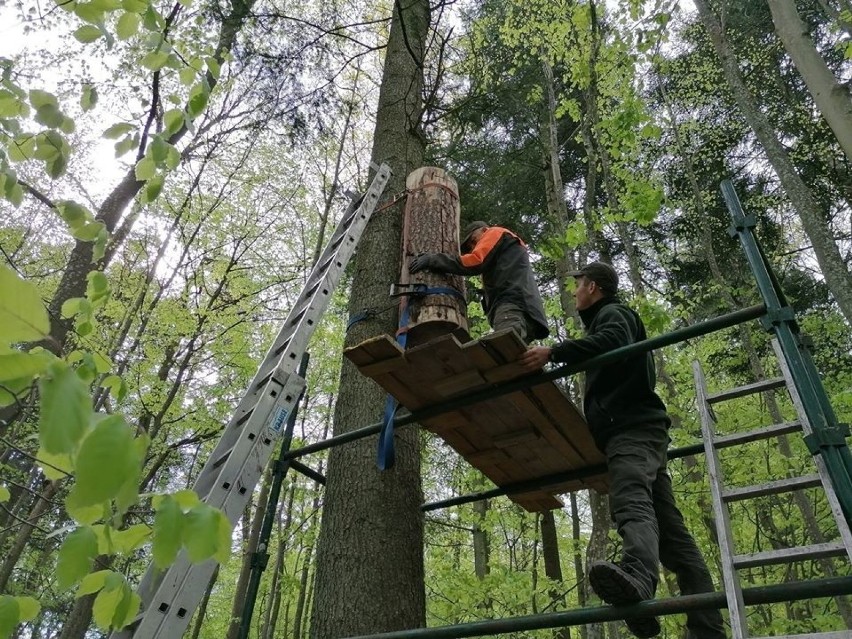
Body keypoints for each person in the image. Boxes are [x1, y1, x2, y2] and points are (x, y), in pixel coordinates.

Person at [518, 262, 725, 639]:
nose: (574, 292)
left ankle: (638, 577)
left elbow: (614, 341)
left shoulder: (614, 314)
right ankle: (707, 627)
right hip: (638, 432)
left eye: (577, 285)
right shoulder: (606, 321)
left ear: (593, 287)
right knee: (673, 538)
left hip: (632, 430)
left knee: (630, 499)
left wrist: (554, 352)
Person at [408, 221, 549, 344]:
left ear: (483, 230)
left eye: (473, 240)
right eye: (470, 247)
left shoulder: (495, 232)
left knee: (503, 348)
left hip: (512, 305)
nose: (473, 247)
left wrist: (433, 260)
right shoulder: (506, 255)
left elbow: (476, 260)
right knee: (514, 358)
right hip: (524, 309)